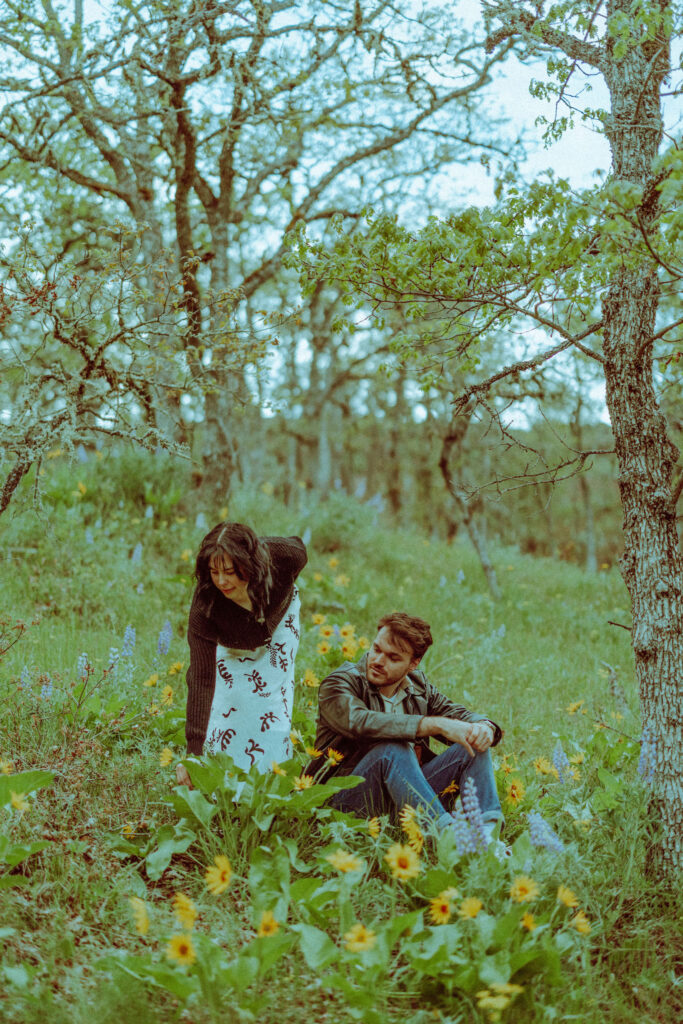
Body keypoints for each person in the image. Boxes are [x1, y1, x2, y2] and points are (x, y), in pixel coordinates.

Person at [307, 612, 504, 841]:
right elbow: (359, 722)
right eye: (377, 649)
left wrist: (484, 727)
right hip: (343, 801)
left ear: (413, 663)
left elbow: (458, 714)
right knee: (392, 750)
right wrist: (433, 725)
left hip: (402, 799)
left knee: (472, 746)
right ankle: (450, 840)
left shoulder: (419, 687)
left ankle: (488, 839)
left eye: (393, 657)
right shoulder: (341, 682)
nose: (378, 661)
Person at [176, 522, 307, 784]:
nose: (222, 580)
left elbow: (301, 551)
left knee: (268, 700)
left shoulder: (279, 557)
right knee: (230, 698)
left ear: (249, 563)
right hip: (234, 637)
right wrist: (193, 752)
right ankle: (220, 782)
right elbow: (202, 677)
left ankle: (271, 782)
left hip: (279, 624)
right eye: (214, 572)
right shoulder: (206, 605)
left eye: (230, 571)